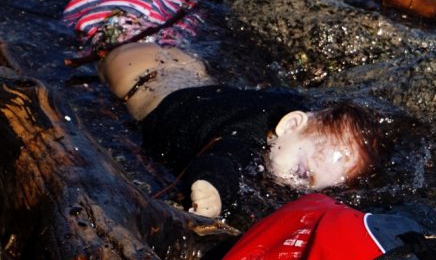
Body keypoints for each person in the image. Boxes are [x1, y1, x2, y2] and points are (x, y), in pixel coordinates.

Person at [98, 42, 383, 218]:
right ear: (292, 123)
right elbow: (224, 160)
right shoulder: (245, 140)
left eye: (309, 186)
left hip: (190, 71)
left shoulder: (291, 109)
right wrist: (212, 189)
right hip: (132, 72)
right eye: (302, 173)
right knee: (106, 27)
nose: (295, 186)